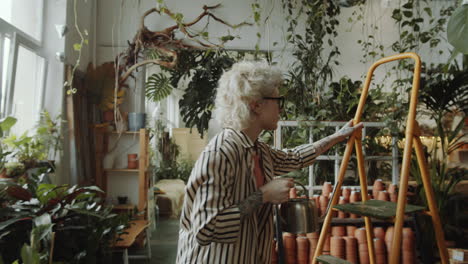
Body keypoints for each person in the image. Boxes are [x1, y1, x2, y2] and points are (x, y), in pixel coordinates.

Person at [176, 61, 363, 263]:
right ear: (256, 105)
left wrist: (339, 136)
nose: (281, 109)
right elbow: (206, 228)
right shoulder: (221, 153)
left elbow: (295, 157)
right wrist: (262, 196)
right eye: (278, 100)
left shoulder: (258, 149)